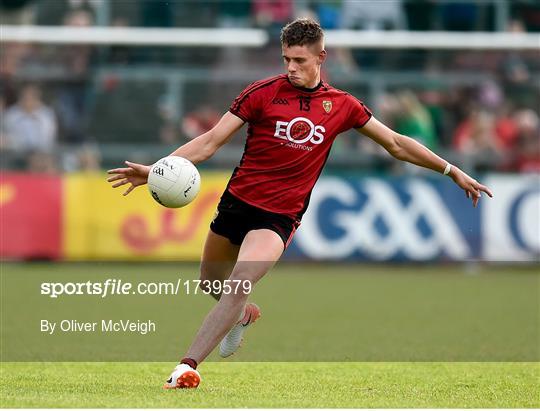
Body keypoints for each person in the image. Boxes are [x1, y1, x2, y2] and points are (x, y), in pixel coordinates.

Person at [107, 17, 493, 389]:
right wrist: (159, 170)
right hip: (237, 203)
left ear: (321, 58)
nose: (291, 67)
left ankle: (186, 367)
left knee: (239, 281)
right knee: (210, 282)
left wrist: (450, 169)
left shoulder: (342, 105)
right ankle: (240, 317)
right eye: (286, 59)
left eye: (300, 60)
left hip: (279, 216)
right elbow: (209, 142)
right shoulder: (261, 93)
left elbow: (395, 142)